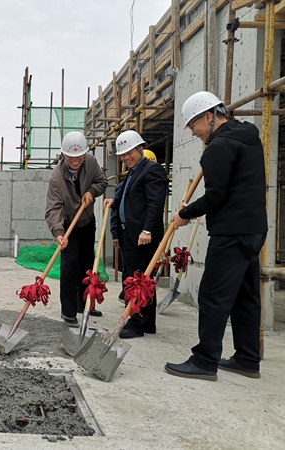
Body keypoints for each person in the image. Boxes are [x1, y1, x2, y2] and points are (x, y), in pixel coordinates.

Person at [165, 91, 267, 381]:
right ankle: (247, 358)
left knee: (213, 296)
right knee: (245, 297)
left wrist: (185, 214)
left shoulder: (218, 146)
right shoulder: (248, 138)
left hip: (230, 233)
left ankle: (204, 360)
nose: (193, 133)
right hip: (253, 229)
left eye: (193, 125)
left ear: (209, 117)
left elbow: (215, 196)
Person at [103, 131, 167, 339]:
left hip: (142, 236)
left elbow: (155, 203)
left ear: (140, 148)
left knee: (137, 280)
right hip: (130, 234)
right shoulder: (133, 172)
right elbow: (131, 199)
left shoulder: (152, 170)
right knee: (143, 278)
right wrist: (114, 202)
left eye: (129, 152)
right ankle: (148, 323)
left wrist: (147, 230)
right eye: (122, 154)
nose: (126, 157)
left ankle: (136, 324)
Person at [45, 131, 108, 326]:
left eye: (79, 156)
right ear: (63, 155)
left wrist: (91, 191)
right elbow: (53, 209)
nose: (75, 160)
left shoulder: (91, 163)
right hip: (67, 225)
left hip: (87, 221)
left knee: (88, 263)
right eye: (70, 157)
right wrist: (59, 233)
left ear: (84, 154)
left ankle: (85, 304)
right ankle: (69, 311)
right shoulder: (56, 178)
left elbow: (102, 182)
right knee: (70, 265)